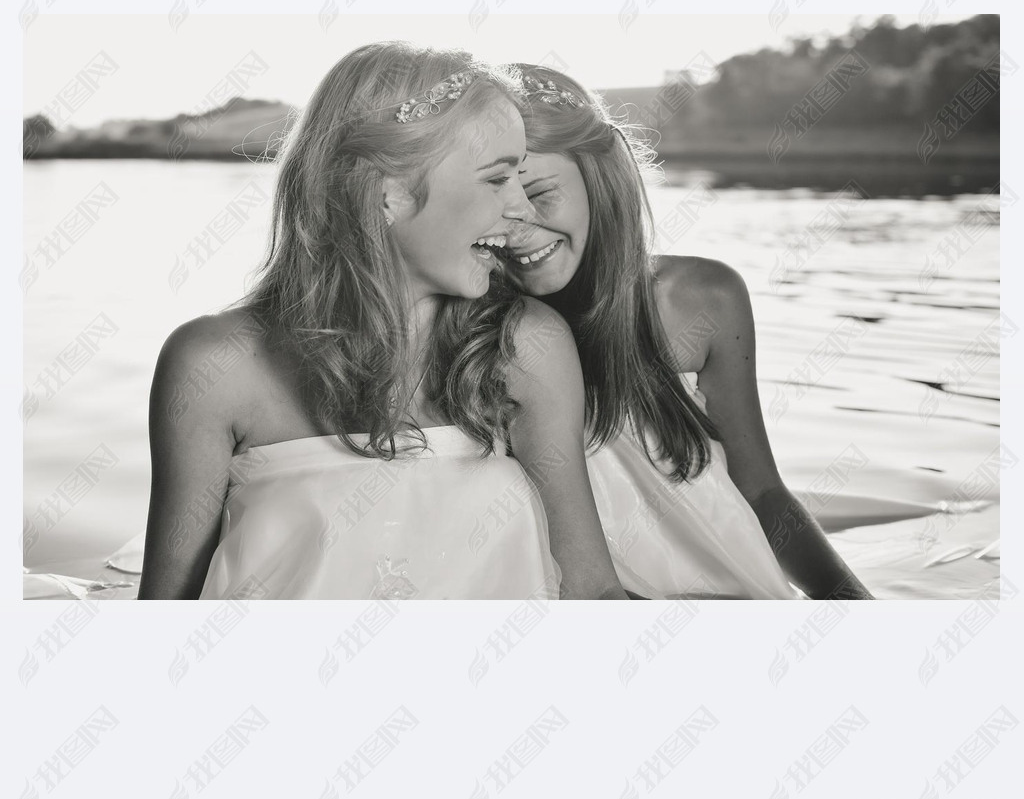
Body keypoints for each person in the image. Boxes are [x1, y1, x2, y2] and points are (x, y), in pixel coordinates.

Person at [138, 45, 628, 602]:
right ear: (386, 192)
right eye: (497, 180)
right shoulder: (214, 367)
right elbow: (165, 612)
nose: (521, 210)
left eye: (522, 178)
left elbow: (590, 587)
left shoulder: (525, 348)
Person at [503, 65, 874, 600]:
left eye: (539, 194)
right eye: (496, 207)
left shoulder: (703, 298)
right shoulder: (480, 336)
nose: (519, 232)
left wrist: (855, 605)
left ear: (598, 179)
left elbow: (762, 491)